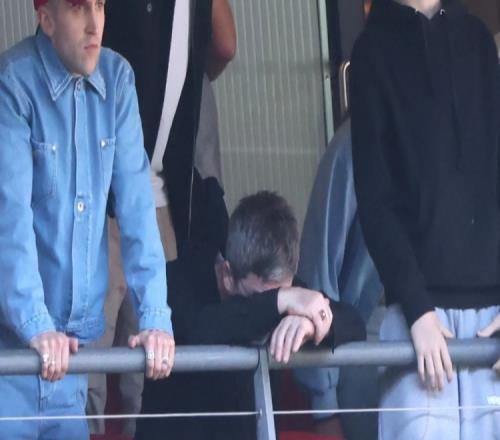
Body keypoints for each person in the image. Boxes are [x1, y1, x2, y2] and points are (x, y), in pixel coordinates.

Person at [0, 1, 174, 438]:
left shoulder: (117, 79)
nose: (95, 24)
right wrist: (37, 326)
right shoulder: (13, 81)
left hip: (70, 359)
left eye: (100, 5)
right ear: (45, 17)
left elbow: (138, 207)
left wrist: (155, 318)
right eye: (79, 7)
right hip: (10, 359)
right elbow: (10, 217)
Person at [350, 0, 500, 439]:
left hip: (493, 316)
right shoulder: (372, 50)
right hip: (418, 318)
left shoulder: (478, 41)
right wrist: (417, 309)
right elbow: (375, 200)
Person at [86, 0, 236, 435]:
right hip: (101, 201)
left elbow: (224, 46)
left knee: (150, 378)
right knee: (86, 372)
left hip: (163, 198)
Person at [135, 191, 366, 440]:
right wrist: (279, 301)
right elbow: (201, 328)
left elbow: (354, 323)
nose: (275, 305)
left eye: (282, 293)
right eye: (259, 298)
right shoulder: (174, 282)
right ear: (227, 274)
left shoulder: (285, 293)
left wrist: (310, 322)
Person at [296, 118, 383, 439]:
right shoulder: (356, 143)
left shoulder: (464, 135)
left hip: (454, 345)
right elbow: (318, 273)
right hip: (364, 343)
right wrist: (325, 408)